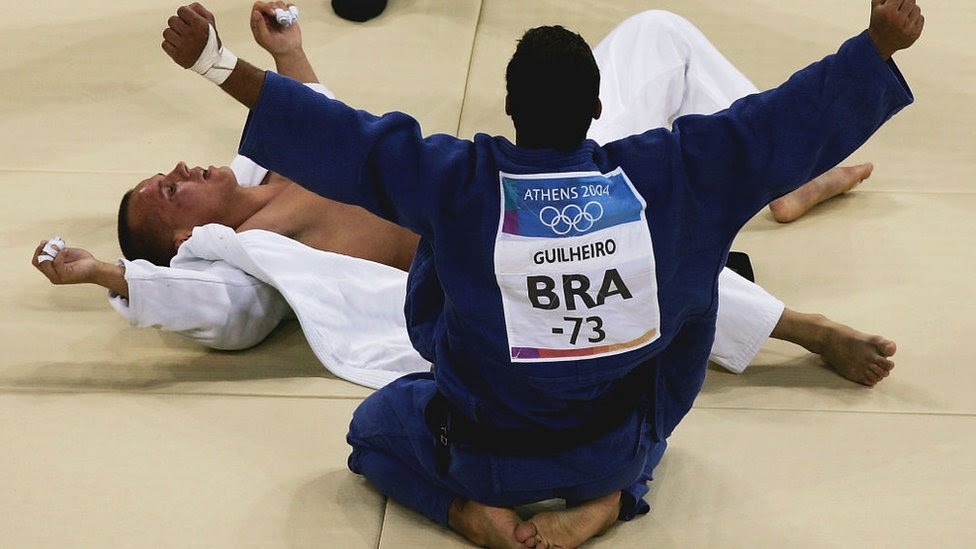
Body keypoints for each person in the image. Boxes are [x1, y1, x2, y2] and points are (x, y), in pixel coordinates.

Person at [159, 0, 921, 545]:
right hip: (616, 443)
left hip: (481, 457)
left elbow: (351, 141)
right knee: (687, 297)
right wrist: (875, 49)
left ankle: (466, 519)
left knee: (373, 430)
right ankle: (610, 501)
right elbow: (775, 123)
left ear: (508, 108)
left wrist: (218, 62)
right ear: (597, 108)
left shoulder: (460, 181)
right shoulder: (667, 173)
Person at [33, 4, 895, 388]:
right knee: (612, 250)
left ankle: (796, 182)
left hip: (523, 162)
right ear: (184, 243)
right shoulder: (249, 265)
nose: (178, 176)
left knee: (657, 34)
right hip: (493, 253)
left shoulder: (265, 170)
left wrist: (286, 48)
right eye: (168, 199)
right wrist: (103, 273)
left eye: (164, 171)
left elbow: (329, 127)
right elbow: (217, 314)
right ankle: (803, 328)